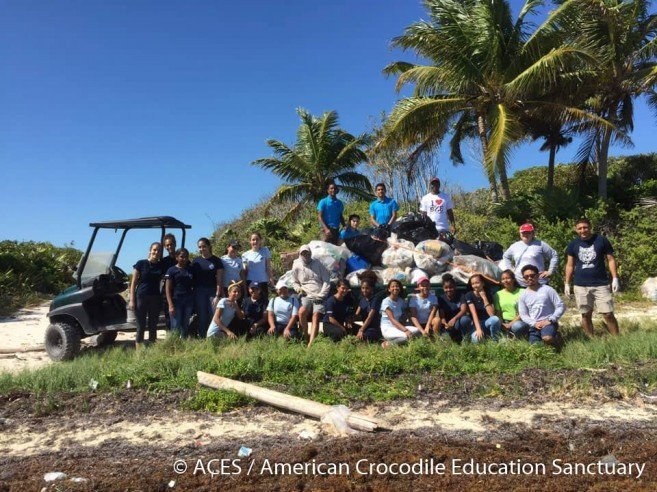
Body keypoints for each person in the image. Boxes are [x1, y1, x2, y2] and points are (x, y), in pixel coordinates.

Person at [565, 217, 620, 337]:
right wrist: (567, 283)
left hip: (601, 283)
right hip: (581, 285)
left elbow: (610, 259)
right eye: (579, 228)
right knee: (585, 314)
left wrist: (615, 278)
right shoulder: (573, 244)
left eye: (585, 227)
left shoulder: (601, 240)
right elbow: (570, 265)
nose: (582, 230)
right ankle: (591, 339)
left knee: (608, 313)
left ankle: (617, 339)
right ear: (576, 229)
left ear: (590, 227)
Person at [291, 244, 331, 346]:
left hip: (319, 294)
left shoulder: (318, 264)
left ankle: (311, 343)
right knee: (301, 312)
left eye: (307, 253)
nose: (305, 255)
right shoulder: (296, 265)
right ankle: (305, 337)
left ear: (310, 253)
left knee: (316, 315)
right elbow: (294, 282)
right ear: (300, 254)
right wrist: (298, 289)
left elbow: (326, 281)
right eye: (303, 253)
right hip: (306, 295)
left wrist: (322, 294)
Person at [129, 242, 165, 349]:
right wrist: (132, 300)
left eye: (159, 251)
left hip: (155, 298)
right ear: (150, 250)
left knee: (153, 326)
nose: (156, 252)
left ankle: (151, 351)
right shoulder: (141, 263)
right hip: (141, 297)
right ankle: (139, 353)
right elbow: (133, 283)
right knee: (141, 326)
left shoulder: (161, 266)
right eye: (154, 250)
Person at [518, 265, 565, 345]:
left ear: (537, 275)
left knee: (547, 338)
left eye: (532, 275)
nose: (529, 278)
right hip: (534, 325)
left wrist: (551, 320)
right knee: (536, 348)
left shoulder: (548, 289)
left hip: (549, 323)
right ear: (523, 278)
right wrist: (534, 323)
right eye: (526, 276)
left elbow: (561, 306)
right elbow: (523, 314)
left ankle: (557, 340)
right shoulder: (523, 295)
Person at [502, 223, 558, 287]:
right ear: (520, 234)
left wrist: (550, 271)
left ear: (533, 233)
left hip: (539, 282)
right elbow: (505, 256)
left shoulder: (540, 244)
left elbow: (554, 255)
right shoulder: (514, 246)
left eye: (528, 233)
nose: (526, 234)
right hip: (520, 283)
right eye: (523, 233)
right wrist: (511, 269)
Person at [191, 237, 223, 338]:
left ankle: (213, 337)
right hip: (199, 292)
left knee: (213, 315)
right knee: (201, 315)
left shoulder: (216, 260)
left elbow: (219, 280)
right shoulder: (195, 261)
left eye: (204, 246)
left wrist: (217, 295)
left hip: (212, 291)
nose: (202, 249)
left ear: (209, 246)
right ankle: (202, 337)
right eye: (200, 247)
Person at [380, 279, 422, 347]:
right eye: (392, 286)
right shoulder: (386, 301)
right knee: (406, 336)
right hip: (388, 328)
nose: (395, 288)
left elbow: (406, 311)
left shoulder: (401, 301)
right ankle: (387, 344)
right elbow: (392, 320)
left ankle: (398, 341)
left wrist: (414, 296)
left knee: (417, 331)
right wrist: (405, 330)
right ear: (389, 289)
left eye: (397, 286)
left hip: (397, 327)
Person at [164, 248, 194, 338]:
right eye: (181, 256)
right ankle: (174, 344)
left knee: (185, 324)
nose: (184, 259)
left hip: (188, 301)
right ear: (176, 257)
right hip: (176, 301)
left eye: (186, 257)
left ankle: (184, 343)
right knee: (176, 325)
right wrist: (170, 305)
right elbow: (167, 288)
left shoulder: (190, 269)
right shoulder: (171, 270)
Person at [464, 273, 502, 343]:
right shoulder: (469, 295)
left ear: (483, 283)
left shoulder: (489, 294)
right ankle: (485, 337)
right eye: (473, 284)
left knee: (496, 319)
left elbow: (491, 314)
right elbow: (474, 313)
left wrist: (484, 297)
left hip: (487, 321)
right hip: (476, 323)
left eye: (477, 283)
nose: (475, 285)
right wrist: (478, 329)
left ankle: (495, 340)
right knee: (476, 340)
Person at [494, 269, 529, 339]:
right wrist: (502, 324)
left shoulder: (523, 292)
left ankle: (517, 337)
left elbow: (524, 311)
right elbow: (498, 312)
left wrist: (511, 324)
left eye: (508, 278)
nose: (505, 281)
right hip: (504, 322)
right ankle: (509, 335)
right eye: (503, 279)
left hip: (519, 321)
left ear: (513, 279)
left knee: (517, 326)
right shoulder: (498, 294)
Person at [437, 273, 471, 342]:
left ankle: (465, 339)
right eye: (446, 288)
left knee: (465, 319)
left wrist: (454, 319)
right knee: (445, 341)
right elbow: (442, 315)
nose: (449, 289)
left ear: (455, 287)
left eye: (451, 287)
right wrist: (445, 323)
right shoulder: (441, 298)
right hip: (447, 325)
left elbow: (463, 310)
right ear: (443, 288)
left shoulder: (461, 296)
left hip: (458, 322)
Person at [242, 232, 274, 296]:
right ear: (250, 241)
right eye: (253, 240)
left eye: (257, 239)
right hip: (250, 282)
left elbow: (268, 267)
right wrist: (244, 286)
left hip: (263, 281)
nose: (255, 241)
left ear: (260, 240)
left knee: (264, 300)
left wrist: (271, 279)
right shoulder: (245, 255)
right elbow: (245, 271)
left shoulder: (265, 250)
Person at [353, 277, 382, 342]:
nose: (364, 290)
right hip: (364, 327)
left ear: (372, 288)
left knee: (362, 338)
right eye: (363, 288)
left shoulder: (375, 300)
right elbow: (356, 315)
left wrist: (361, 330)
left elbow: (370, 317)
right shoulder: (362, 300)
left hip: (373, 328)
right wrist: (350, 320)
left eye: (367, 288)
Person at [161, 233, 177, 329]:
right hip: (167, 294)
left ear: (175, 244)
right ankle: (170, 336)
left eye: (171, 244)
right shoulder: (163, 261)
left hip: (180, 293)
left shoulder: (182, 258)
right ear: (165, 247)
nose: (169, 247)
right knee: (169, 320)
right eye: (167, 245)